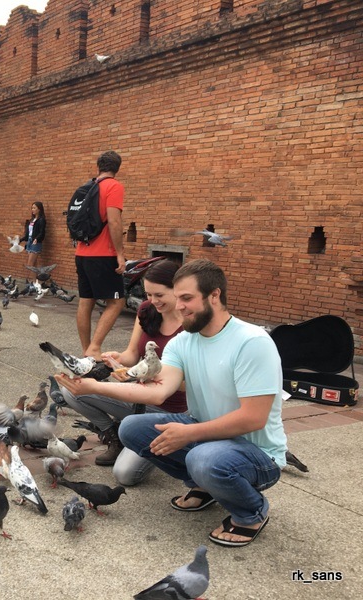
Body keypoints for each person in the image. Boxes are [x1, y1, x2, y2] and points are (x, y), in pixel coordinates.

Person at [56, 259, 285, 547]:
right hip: (209, 437)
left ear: (214, 295)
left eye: (187, 298)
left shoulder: (252, 341)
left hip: (257, 453)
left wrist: (189, 433)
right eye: (177, 298)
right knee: (132, 428)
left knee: (202, 458)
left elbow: (253, 419)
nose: (179, 307)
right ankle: (204, 485)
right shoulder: (183, 342)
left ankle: (252, 512)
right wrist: (93, 386)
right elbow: (156, 393)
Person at [61, 259, 186, 483]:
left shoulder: (190, 324)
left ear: (178, 290)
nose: (152, 301)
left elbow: (188, 383)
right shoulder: (147, 310)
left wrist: (144, 375)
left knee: (125, 475)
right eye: (148, 294)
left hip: (171, 410)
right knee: (72, 390)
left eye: (159, 295)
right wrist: (116, 359)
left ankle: (162, 442)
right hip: (139, 398)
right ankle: (114, 435)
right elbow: (131, 355)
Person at [75, 150, 126, 358]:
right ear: (117, 168)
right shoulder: (114, 186)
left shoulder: (87, 188)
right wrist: (120, 254)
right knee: (116, 301)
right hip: (103, 254)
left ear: (98, 167)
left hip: (82, 252)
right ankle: (95, 348)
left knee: (86, 300)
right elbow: (114, 221)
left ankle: (86, 350)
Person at [19, 201, 46, 268]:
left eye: (34, 208)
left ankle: (36, 278)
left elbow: (42, 232)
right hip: (29, 242)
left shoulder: (41, 220)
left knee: (30, 265)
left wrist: (37, 239)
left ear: (39, 209)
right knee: (33, 265)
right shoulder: (32, 220)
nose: (32, 210)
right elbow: (28, 234)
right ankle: (35, 279)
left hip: (35, 243)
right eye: (32, 208)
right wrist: (20, 240)